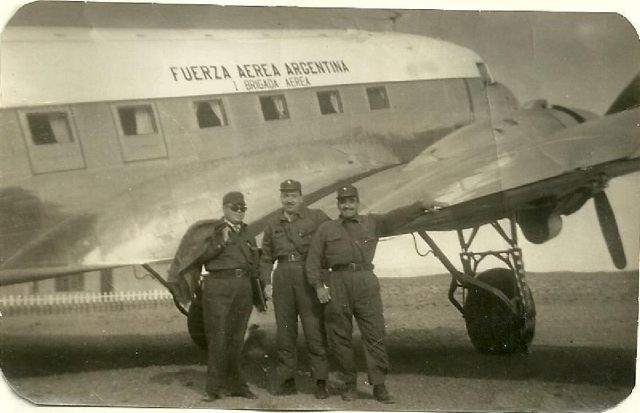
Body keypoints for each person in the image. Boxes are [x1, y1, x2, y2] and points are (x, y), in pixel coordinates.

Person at [305, 184, 446, 404]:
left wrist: (420, 206)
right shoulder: (327, 229)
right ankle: (349, 384)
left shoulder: (372, 222)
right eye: (343, 202)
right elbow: (313, 260)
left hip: (365, 282)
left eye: (351, 201)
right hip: (337, 282)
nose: (347, 205)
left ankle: (379, 385)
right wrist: (318, 286)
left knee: (374, 333)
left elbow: (395, 217)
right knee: (340, 336)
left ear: (357, 202)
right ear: (338, 205)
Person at [170, 191, 260, 401]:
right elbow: (199, 257)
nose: (239, 212)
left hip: (243, 288)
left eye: (242, 208)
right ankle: (214, 389)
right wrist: (220, 244)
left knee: (237, 339)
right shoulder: (214, 230)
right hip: (218, 286)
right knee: (217, 338)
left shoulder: (248, 232)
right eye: (235, 208)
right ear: (225, 208)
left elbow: (253, 260)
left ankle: (238, 386)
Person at [259, 179, 331, 399]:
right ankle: (287, 379)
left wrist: (324, 275)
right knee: (285, 332)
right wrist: (267, 283)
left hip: (307, 275)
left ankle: (320, 381)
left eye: (293, 196)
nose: (289, 200)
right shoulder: (272, 224)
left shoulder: (316, 217)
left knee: (314, 330)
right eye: (285, 196)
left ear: (301, 197)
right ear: (281, 198)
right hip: (283, 277)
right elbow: (265, 258)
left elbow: (332, 238)